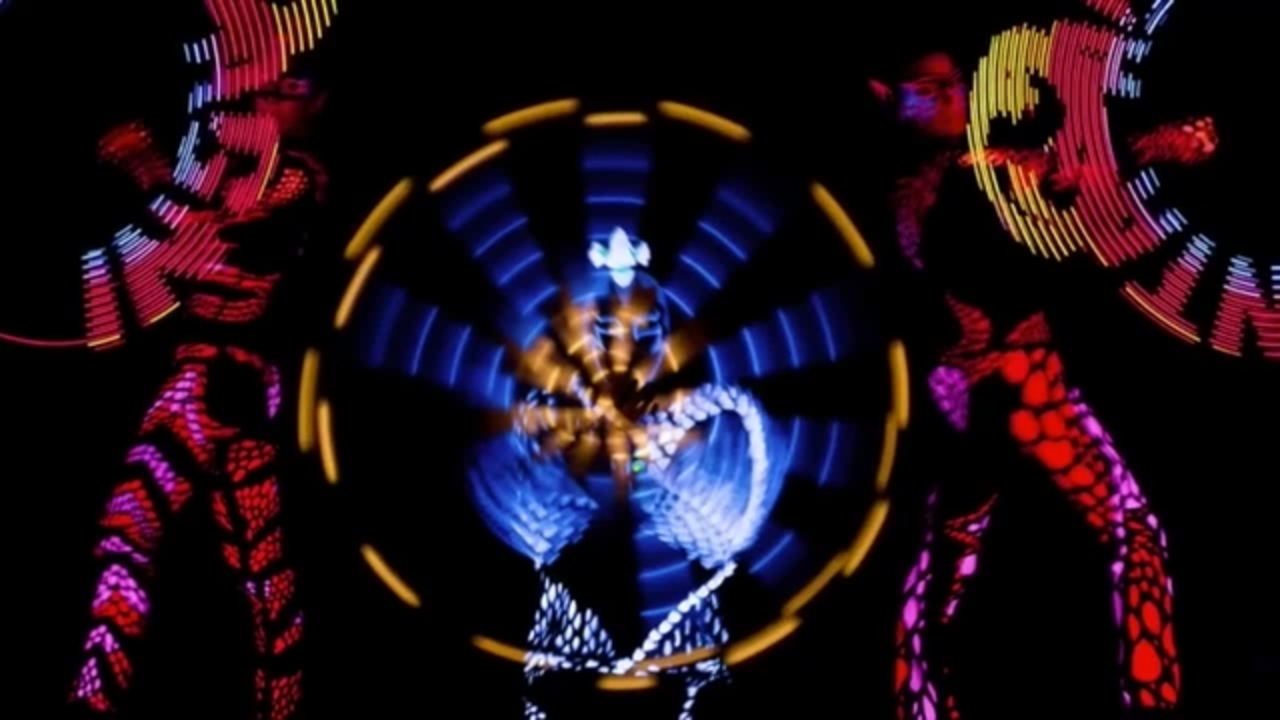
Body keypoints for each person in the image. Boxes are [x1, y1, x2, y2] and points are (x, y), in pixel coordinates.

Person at [869, 44, 1189, 719]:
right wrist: (1158, 145)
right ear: (886, 97)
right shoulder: (938, 186)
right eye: (928, 85)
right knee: (1124, 537)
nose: (950, 95)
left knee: (946, 575)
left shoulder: (955, 181)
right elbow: (1054, 171)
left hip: (995, 397)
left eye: (954, 81)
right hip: (1006, 394)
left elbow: (1051, 174)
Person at [67, 69, 328, 719]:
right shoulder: (231, 170)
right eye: (267, 89)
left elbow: (214, 240)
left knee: (136, 529)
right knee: (255, 561)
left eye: (288, 92)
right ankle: (278, 705)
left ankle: (96, 697)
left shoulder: (298, 179)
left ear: (316, 106)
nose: (267, 100)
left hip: (215, 381)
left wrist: (150, 172)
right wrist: (155, 178)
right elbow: (173, 253)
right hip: (222, 381)